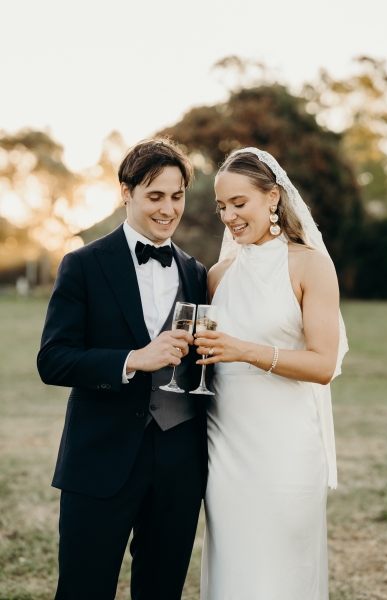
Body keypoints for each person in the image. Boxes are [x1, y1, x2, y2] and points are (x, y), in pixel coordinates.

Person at [37, 138, 208, 600]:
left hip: (178, 465)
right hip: (100, 459)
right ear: (126, 193)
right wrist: (133, 359)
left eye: (177, 196)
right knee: (83, 589)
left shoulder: (196, 273)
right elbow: (53, 359)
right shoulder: (83, 264)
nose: (168, 209)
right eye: (155, 196)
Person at [195, 148, 348, 600]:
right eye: (221, 207)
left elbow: (323, 364)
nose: (229, 217)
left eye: (239, 203)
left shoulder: (310, 265)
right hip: (226, 450)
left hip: (285, 452)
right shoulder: (217, 276)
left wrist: (245, 350)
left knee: (282, 575)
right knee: (235, 573)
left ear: (273, 197)